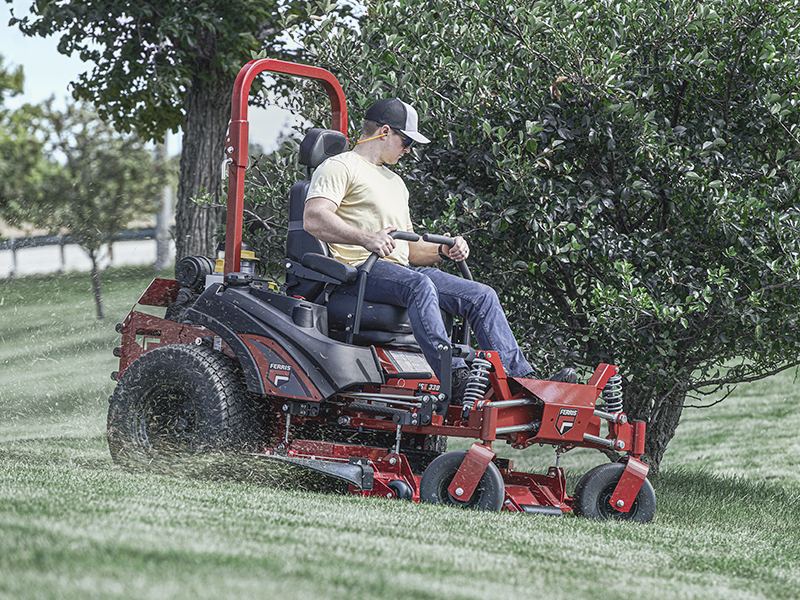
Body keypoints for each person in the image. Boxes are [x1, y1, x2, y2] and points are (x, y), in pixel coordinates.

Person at [303, 98, 575, 394]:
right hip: (358, 272)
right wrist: (367, 238)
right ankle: (455, 377)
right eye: (406, 141)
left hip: (398, 272)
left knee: (482, 296)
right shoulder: (340, 166)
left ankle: (523, 383)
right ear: (384, 132)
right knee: (419, 286)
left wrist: (444, 250)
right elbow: (314, 218)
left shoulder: (396, 182)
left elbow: (410, 251)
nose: (408, 150)